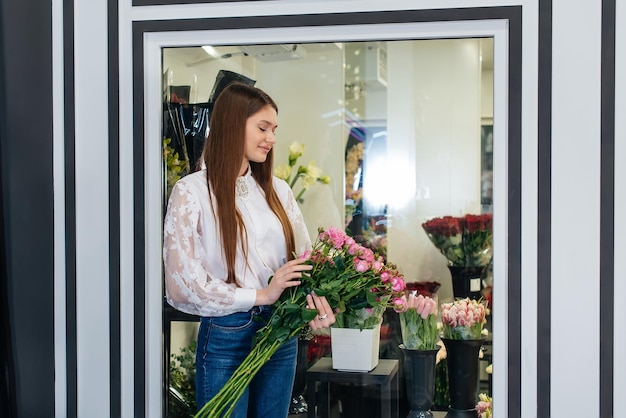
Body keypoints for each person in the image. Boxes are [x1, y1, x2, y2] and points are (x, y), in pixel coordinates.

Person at [163, 82, 335, 417]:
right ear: (231, 125)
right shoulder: (191, 192)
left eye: (274, 129)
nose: (271, 138)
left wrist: (316, 303)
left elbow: (305, 259)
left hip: (280, 330)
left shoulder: (278, 191)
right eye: (262, 128)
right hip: (228, 332)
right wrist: (260, 295)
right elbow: (181, 283)